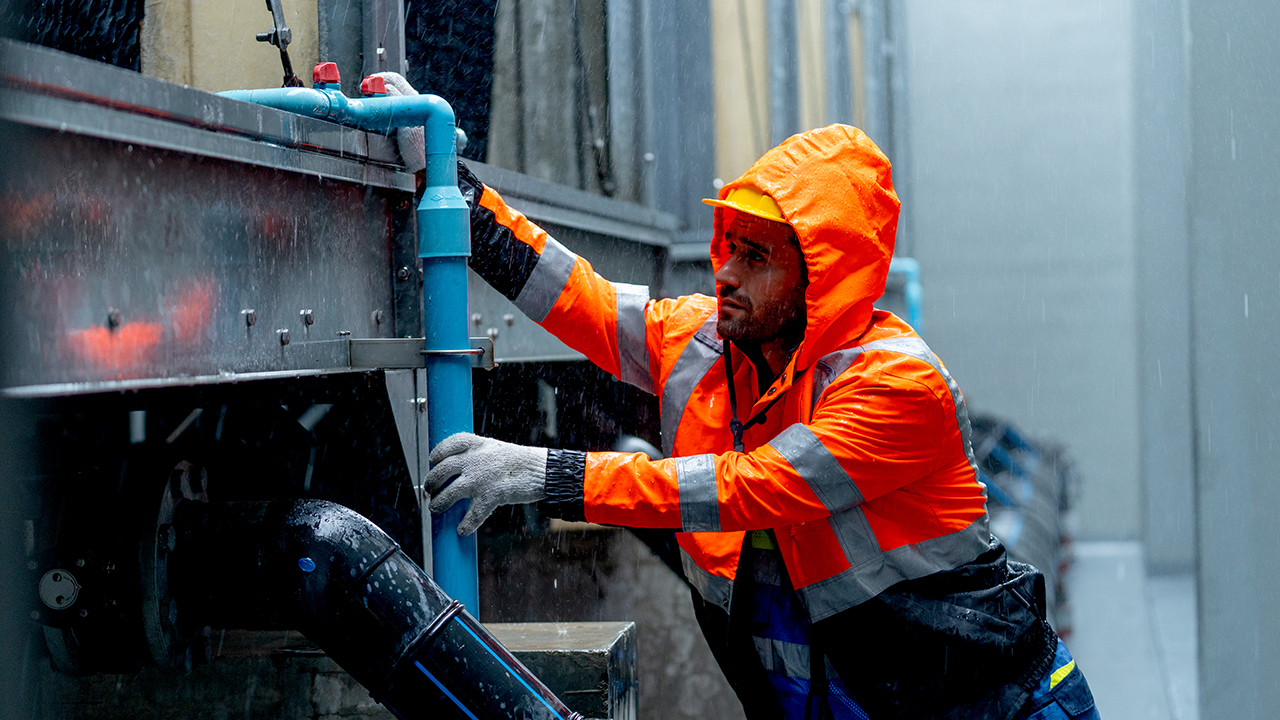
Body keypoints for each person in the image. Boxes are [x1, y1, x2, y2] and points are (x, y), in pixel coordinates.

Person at [427, 124, 1099, 720]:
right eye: (729, 248)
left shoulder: (897, 384)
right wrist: (465, 204)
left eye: (756, 258)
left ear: (820, 280)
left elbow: (749, 488)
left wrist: (542, 474)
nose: (725, 274)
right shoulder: (707, 347)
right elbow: (588, 304)